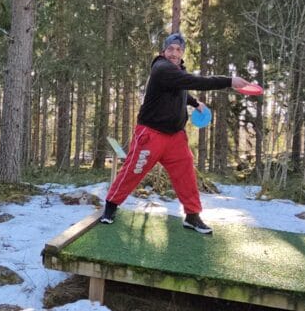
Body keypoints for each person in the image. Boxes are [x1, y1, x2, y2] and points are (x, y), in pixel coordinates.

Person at [100, 32, 252, 234]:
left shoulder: (176, 72)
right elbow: (195, 82)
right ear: (163, 51)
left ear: (182, 53)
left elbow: (181, 90)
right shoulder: (161, 68)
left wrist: (195, 102)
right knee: (133, 171)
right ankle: (110, 207)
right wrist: (229, 81)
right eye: (170, 49)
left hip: (175, 137)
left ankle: (192, 216)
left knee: (187, 175)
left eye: (178, 49)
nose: (174, 53)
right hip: (150, 134)